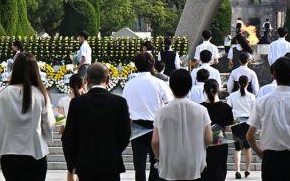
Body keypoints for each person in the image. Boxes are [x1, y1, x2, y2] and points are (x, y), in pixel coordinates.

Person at [0, 52, 55, 181]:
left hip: (9, 152)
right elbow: (49, 123)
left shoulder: (2, 93)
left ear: (15, 69)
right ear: (35, 70)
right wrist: (47, 137)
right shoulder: (40, 94)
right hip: (35, 151)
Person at [247, 57, 290, 181]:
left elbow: (250, 136)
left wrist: (261, 153)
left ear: (274, 75)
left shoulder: (262, 102)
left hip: (271, 160)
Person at [62, 63, 131, 181]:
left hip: (85, 164)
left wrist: (73, 163)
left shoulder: (77, 103)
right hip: (111, 164)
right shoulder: (119, 102)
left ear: (87, 80)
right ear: (108, 80)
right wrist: (112, 150)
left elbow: (69, 136)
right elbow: (125, 135)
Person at [152, 69, 213, 181]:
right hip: (194, 166)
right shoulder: (202, 110)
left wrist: (159, 158)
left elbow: (155, 142)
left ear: (170, 87)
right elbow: (208, 139)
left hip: (169, 166)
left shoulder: (161, 112)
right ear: (190, 86)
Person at [122, 53, 171, 181]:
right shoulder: (159, 83)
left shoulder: (129, 84)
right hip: (156, 126)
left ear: (136, 66)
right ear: (152, 64)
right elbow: (170, 104)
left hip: (136, 126)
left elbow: (125, 108)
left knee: (139, 164)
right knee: (156, 161)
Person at [200, 79, 234, 181]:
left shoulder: (199, 107)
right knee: (218, 171)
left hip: (203, 143)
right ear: (218, 90)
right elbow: (228, 127)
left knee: (204, 172)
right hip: (220, 142)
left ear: (204, 91)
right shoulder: (225, 107)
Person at [227, 76, 255, 179]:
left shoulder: (232, 96)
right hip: (248, 123)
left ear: (238, 83)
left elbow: (228, 109)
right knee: (248, 148)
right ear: (248, 83)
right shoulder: (252, 96)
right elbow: (254, 111)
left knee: (237, 148)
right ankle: (247, 170)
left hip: (236, 123)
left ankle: (237, 171)